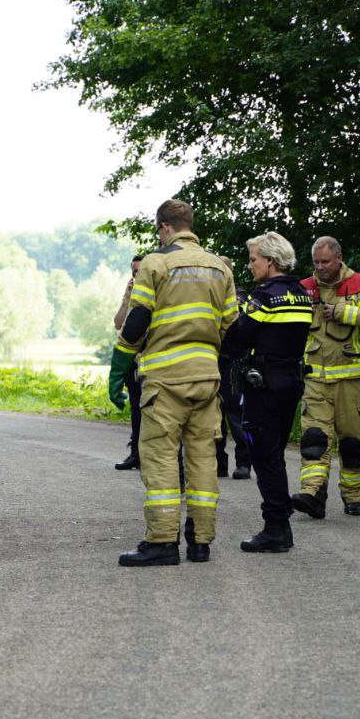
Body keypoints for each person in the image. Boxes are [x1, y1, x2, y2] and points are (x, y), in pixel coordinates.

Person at [108, 199, 238, 566]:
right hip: (206, 379)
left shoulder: (157, 262)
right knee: (202, 459)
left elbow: (137, 321)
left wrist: (119, 366)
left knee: (162, 458)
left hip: (166, 381)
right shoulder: (219, 268)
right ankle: (201, 542)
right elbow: (233, 327)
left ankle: (163, 542)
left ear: (165, 227)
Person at [221, 231, 313, 552]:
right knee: (275, 453)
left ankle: (276, 528)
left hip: (264, 385)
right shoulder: (302, 293)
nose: (250, 266)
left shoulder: (264, 297)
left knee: (264, 455)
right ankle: (279, 521)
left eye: (254, 259)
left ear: (270, 261)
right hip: (291, 383)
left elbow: (237, 339)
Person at [292, 236, 360, 518]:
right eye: (316, 262)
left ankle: (354, 496)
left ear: (339, 257)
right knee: (313, 440)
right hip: (315, 380)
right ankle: (313, 493)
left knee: (351, 443)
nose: (320, 267)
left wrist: (344, 312)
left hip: (351, 380)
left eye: (325, 261)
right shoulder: (305, 288)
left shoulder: (359, 283)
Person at [215, 256, 252, 480]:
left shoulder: (241, 296)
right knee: (214, 416)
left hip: (235, 362)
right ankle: (219, 463)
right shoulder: (209, 294)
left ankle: (244, 462)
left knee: (237, 416)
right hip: (213, 360)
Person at [112, 254, 146, 470]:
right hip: (131, 363)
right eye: (134, 271)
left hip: (152, 361)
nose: (137, 274)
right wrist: (126, 298)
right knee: (136, 409)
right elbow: (118, 324)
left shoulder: (157, 292)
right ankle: (135, 454)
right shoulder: (133, 297)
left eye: (141, 270)